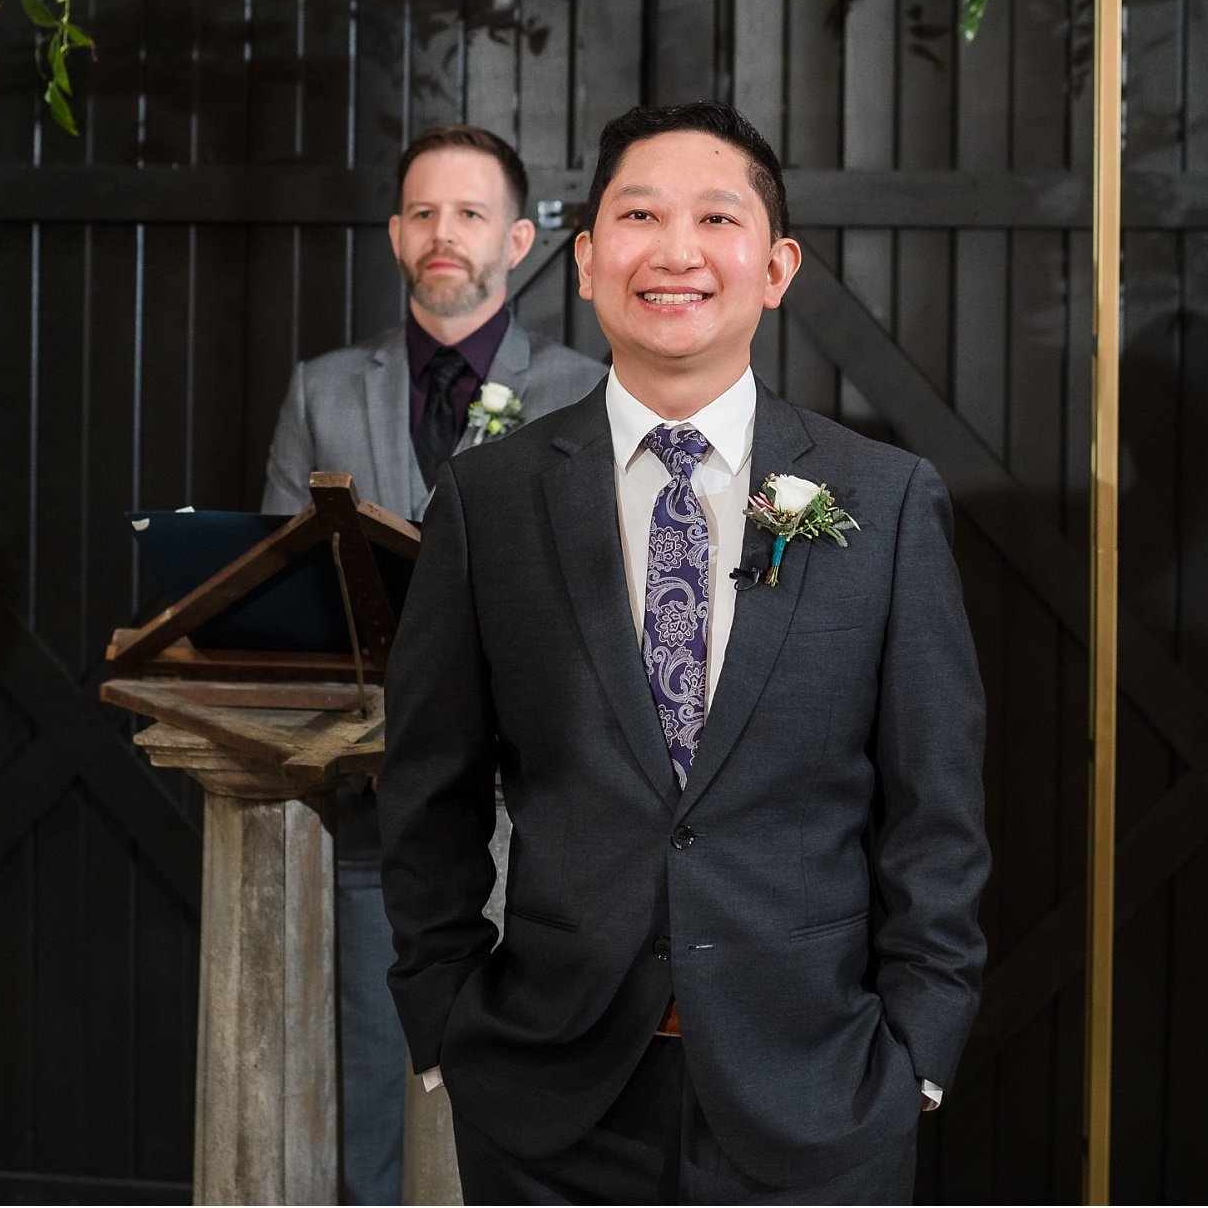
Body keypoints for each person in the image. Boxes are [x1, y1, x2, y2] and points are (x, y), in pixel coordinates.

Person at [378, 102, 990, 1203]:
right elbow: (431, 792)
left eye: (716, 217)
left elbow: (933, 809)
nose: (673, 251)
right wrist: (444, 1022)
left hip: (818, 1092)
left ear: (774, 266)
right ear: (585, 261)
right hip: (549, 1098)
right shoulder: (487, 502)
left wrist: (919, 1060)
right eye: (638, 215)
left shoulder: (884, 503)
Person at [260, 122, 604, 1204]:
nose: (440, 233)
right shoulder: (323, 390)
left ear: (515, 237)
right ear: (397, 233)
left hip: (556, 815)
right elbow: (278, 586)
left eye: (465, 213)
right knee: (374, 1089)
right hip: (375, 806)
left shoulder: (586, 389)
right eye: (420, 212)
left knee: (538, 1112)